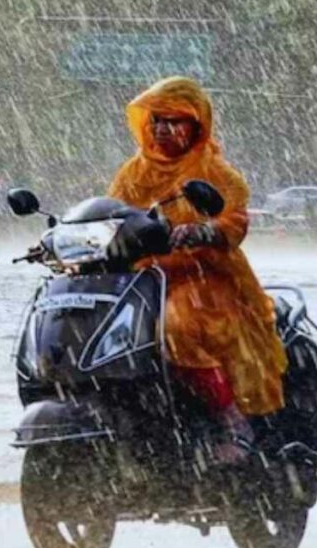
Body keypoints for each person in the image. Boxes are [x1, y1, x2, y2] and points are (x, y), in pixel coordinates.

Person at [108, 76, 287, 463]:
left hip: (204, 278)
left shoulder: (218, 174)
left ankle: (231, 420)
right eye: (157, 119)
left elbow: (235, 222)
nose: (164, 129)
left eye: (175, 121)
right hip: (142, 278)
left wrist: (204, 230)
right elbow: (110, 214)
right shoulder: (131, 174)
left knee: (176, 326)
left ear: (197, 126)